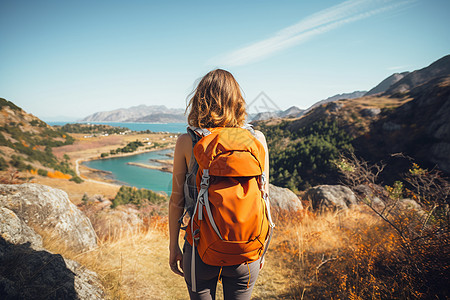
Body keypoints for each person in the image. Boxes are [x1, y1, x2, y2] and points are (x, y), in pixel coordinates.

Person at [168, 69, 270, 300]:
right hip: (248, 247)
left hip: (199, 247)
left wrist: (173, 246)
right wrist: (262, 248)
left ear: (200, 100)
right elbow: (264, 197)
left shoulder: (188, 142)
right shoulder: (257, 140)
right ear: (237, 101)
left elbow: (177, 200)